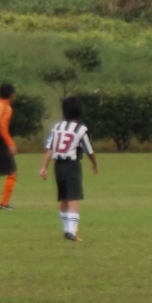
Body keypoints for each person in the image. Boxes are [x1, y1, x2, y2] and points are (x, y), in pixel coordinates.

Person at [40, 96, 98, 242]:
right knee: (73, 197)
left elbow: (50, 148)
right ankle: (72, 232)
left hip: (58, 165)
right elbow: (89, 150)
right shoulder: (81, 129)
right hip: (71, 165)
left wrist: (44, 167)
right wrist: (94, 164)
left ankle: (67, 229)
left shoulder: (57, 127)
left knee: (64, 197)